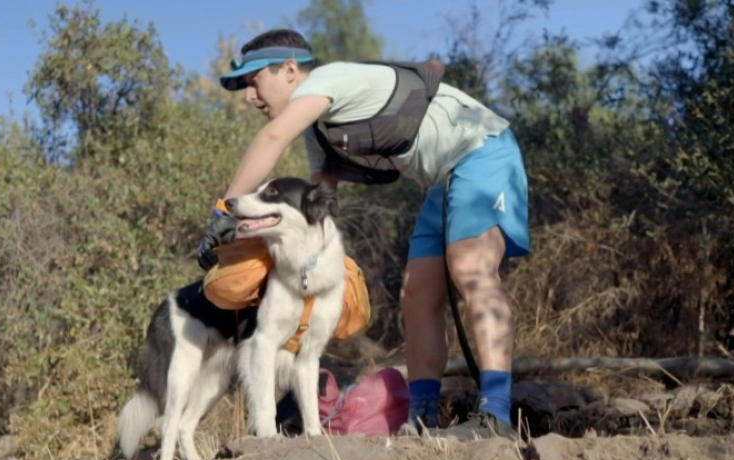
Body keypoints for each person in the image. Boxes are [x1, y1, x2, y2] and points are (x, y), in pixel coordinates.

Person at [197, 29, 529, 437]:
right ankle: (421, 419)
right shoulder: (317, 132)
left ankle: (494, 415)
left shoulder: (328, 80)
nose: (250, 95)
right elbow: (320, 211)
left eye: (254, 81)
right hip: (441, 181)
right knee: (417, 293)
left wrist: (224, 210)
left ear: (288, 70)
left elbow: (271, 138)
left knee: (470, 268)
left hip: (482, 151)